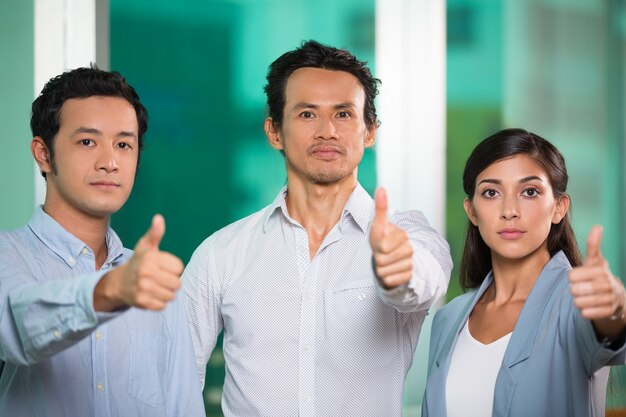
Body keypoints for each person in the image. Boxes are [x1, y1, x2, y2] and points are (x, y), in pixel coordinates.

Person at [182, 40, 452, 416]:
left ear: (369, 130)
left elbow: (424, 282)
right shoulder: (221, 254)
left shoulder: (408, 237)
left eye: (343, 115)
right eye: (307, 115)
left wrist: (398, 269)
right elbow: (175, 382)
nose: (327, 131)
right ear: (274, 131)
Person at [0, 67, 205, 416]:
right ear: (43, 154)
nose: (110, 162)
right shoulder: (9, 255)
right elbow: (19, 328)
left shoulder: (150, 280)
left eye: (124, 144)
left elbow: (182, 406)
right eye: (87, 142)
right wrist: (107, 292)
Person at [423, 128, 626, 417]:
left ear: (558, 208)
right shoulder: (448, 319)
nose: (509, 210)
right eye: (491, 193)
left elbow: (611, 333)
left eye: (529, 192)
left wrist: (614, 310)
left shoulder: (578, 307)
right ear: (472, 211)